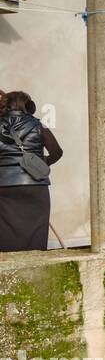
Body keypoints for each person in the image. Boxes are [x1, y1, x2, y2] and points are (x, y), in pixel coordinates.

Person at [0, 90, 62, 252]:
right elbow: (57, 152)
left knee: (5, 232)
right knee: (36, 234)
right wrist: (38, 163)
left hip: (3, 186)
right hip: (35, 185)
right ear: (28, 106)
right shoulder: (38, 125)